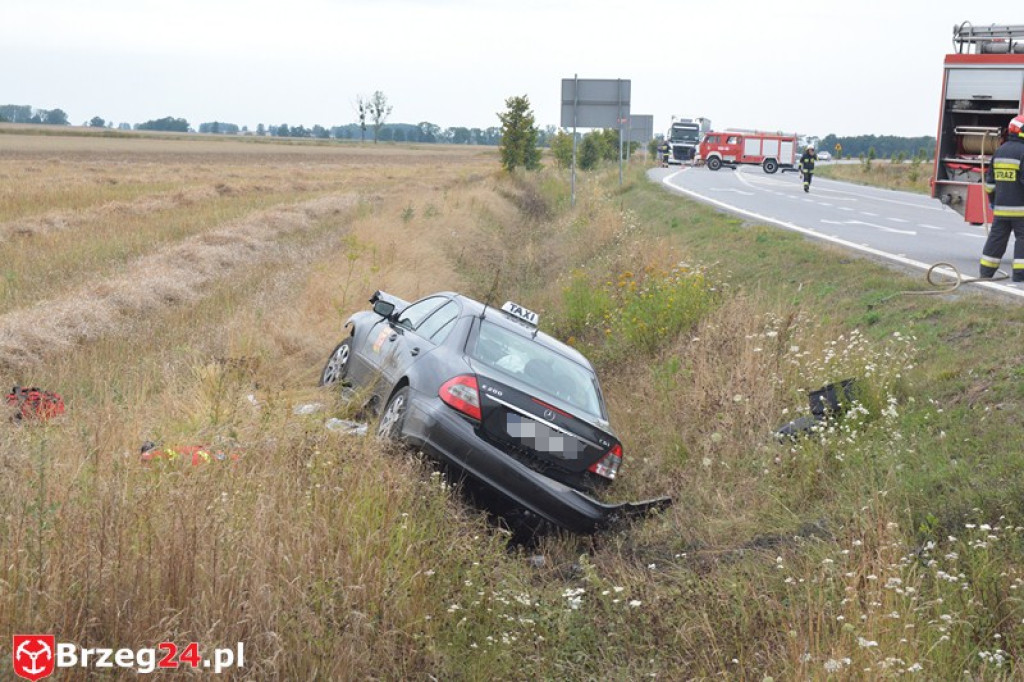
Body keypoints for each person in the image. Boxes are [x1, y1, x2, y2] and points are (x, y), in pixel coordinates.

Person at [980, 115, 1024, 282]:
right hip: (1021, 210)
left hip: (1001, 209)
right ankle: (1020, 276)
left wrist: (993, 202)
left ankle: (985, 273)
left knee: (996, 239)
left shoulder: (1000, 151)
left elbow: (989, 184)